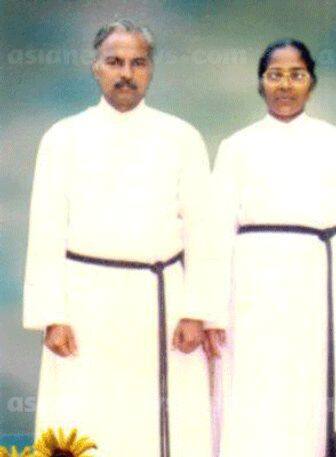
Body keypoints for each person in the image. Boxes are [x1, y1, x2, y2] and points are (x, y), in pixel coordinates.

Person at [23, 20, 215, 456]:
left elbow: (203, 232)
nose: (125, 72)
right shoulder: (63, 138)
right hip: (84, 306)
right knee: (85, 417)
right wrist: (51, 315)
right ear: (96, 68)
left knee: (160, 421)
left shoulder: (182, 137)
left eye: (137, 63)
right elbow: (45, 229)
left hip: (161, 302)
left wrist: (197, 312)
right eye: (114, 61)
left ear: (150, 70)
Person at [208, 39, 336, 457]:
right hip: (250, 288)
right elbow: (214, 232)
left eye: (296, 75)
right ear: (260, 83)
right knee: (252, 389)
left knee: (313, 389)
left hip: (320, 286)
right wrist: (211, 309)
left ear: (311, 82)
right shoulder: (236, 147)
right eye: (275, 75)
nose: (285, 85)